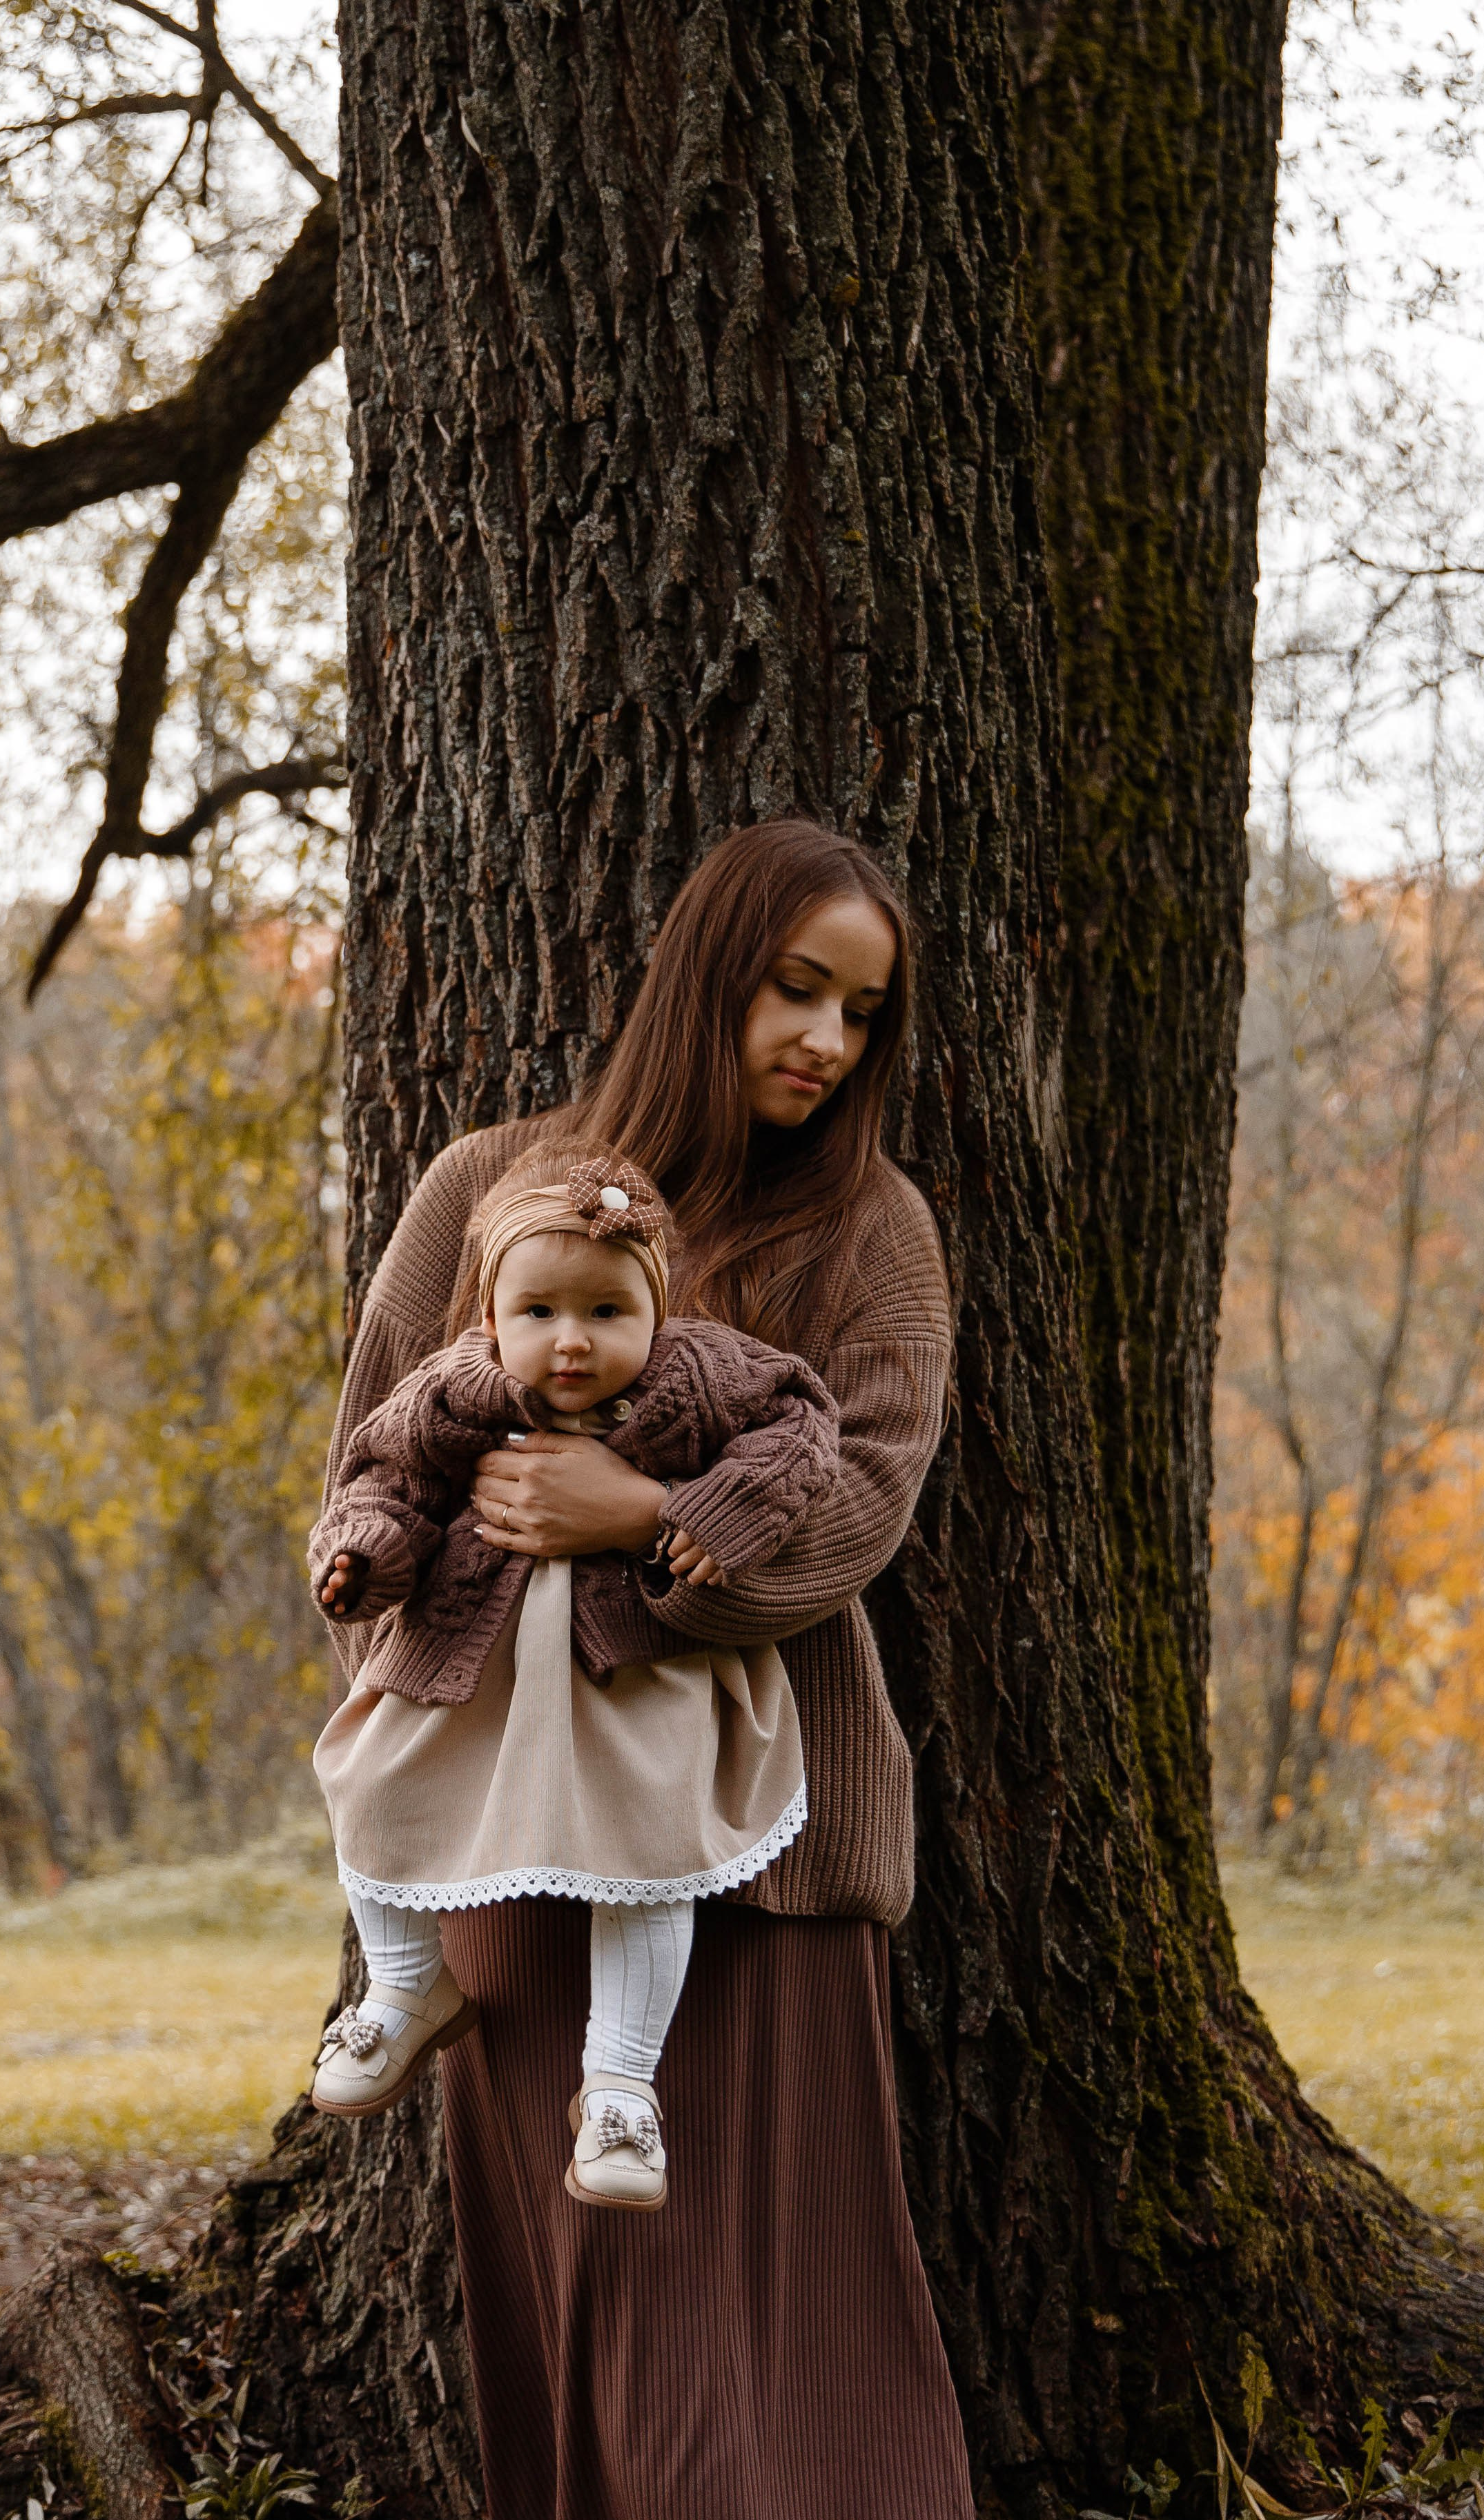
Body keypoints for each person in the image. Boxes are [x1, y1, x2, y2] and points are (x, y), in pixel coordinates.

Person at [319, 817, 973, 2517]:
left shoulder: (868, 1226)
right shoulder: (482, 1188)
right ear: (707, 974)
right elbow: (367, 1478)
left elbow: (860, 1509)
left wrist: (642, 1521)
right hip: (516, 1861)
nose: (824, 1041)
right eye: (792, 987)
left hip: (761, 1857)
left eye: (859, 1012)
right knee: (592, 2345)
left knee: (788, 2351)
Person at [306, 1144, 839, 2214]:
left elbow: (804, 1426)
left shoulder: (705, 1374)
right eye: (539, 1310)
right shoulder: (454, 1387)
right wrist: (365, 1555)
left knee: (646, 1855)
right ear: (493, 1314)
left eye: (606, 1311)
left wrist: (711, 1512)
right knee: (369, 1789)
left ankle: (619, 2087)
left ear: (657, 1308)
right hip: (468, 1659)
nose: (571, 1340)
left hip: (631, 1672)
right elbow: (385, 1478)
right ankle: (409, 1986)